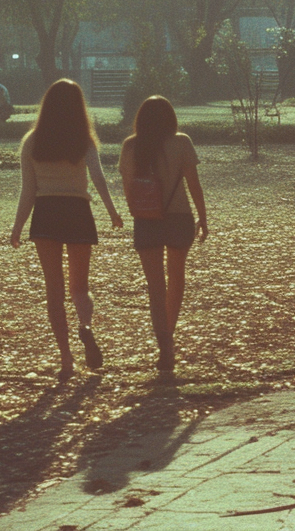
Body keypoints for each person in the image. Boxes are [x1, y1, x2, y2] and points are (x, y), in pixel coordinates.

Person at [11, 79, 123, 382]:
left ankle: (66, 358)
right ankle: (85, 327)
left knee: (54, 291)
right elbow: (99, 179)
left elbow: (28, 190)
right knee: (79, 286)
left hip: (46, 214)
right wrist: (113, 212)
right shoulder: (84, 140)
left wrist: (17, 227)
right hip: (77, 212)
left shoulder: (32, 141)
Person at [119, 95, 209, 382]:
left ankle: (164, 344)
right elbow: (193, 183)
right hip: (180, 217)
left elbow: (128, 189)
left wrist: (139, 210)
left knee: (155, 287)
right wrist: (203, 217)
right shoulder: (182, 142)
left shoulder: (131, 146)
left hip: (147, 220)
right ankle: (169, 335)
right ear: (171, 118)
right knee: (177, 278)